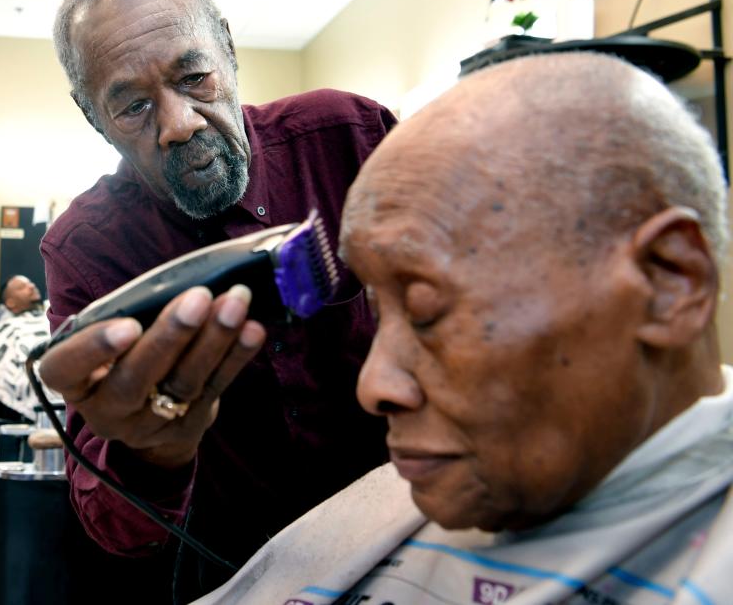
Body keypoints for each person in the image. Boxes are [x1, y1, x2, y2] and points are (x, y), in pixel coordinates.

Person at [187, 52, 733, 604]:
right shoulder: (424, 492)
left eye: (427, 312)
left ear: (668, 284)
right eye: (377, 310)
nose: (374, 387)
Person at [39, 0, 394, 600]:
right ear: (93, 118)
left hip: (414, 529)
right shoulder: (87, 251)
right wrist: (151, 454)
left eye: (194, 76)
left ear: (227, 50)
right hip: (234, 566)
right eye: (133, 108)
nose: (179, 125)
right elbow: (112, 523)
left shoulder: (350, 136)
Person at [0, 275, 61, 420]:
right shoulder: (3, 330)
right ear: (10, 303)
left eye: (30, 283)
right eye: (22, 287)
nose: (31, 286)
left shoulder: (52, 317)